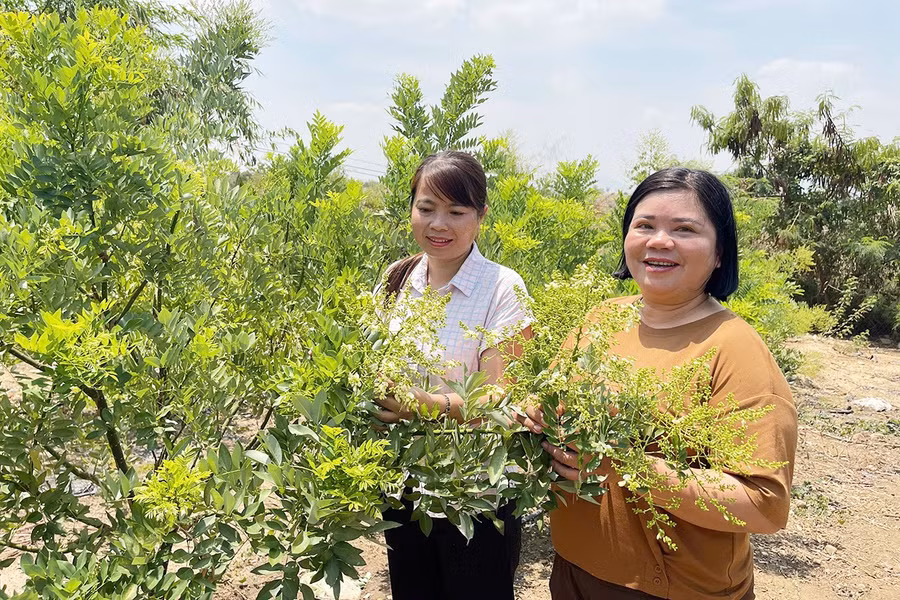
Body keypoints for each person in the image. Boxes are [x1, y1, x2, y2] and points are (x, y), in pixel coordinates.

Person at [518, 167, 798, 600]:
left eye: (684, 229)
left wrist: (623, 466)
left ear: (720, 252)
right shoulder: (604, 317)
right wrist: (537, 412)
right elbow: (555, 399)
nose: (659, 241)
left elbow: (763, 505)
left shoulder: (733, 349)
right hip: (573, 568)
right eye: (644, 225)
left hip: (672, 589)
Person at [373, 150, 532, 600]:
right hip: (404, 487)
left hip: (476, 494)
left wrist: (420, 406)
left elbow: (503, 403)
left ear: (480, 216)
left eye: (456, 211)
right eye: (426, 208)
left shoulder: (503, 287)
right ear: (411, 210)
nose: (438, 224)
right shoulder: (396, 278)